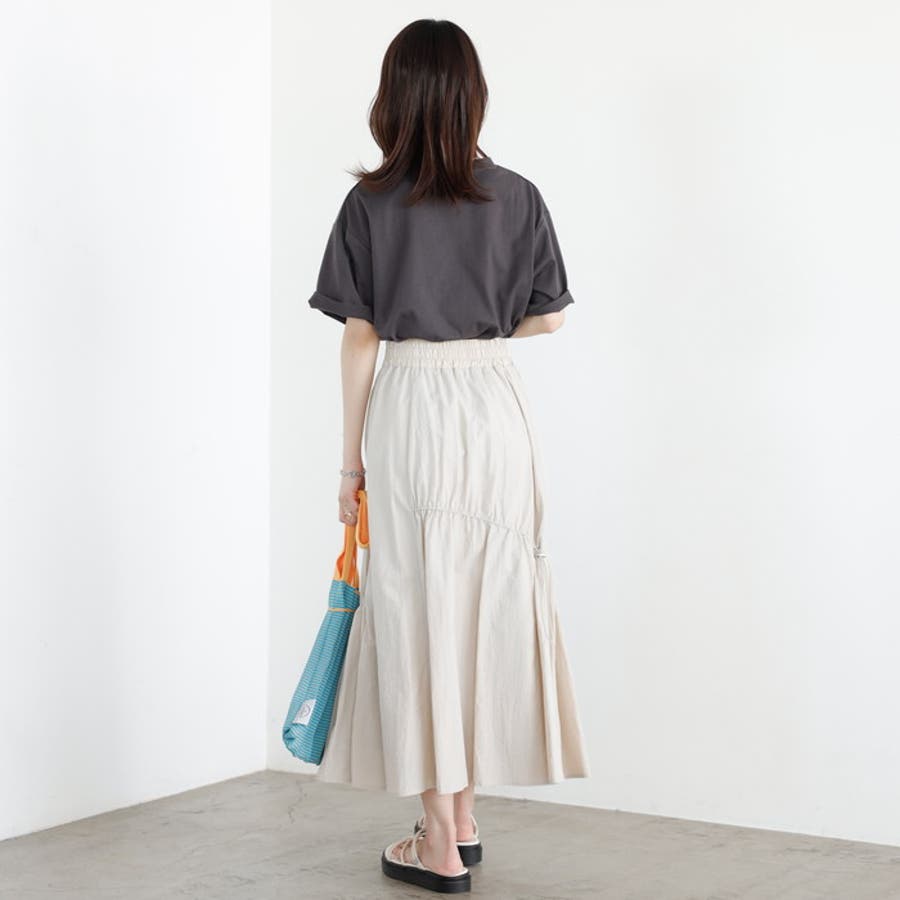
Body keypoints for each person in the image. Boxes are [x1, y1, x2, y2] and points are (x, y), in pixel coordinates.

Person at [306, 18, 591, 895]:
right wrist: (484, 324)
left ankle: (436, 841)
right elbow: (549, 316)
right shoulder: (519, 195)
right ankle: (461, 819)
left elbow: (361, 340)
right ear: (474, 95)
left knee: (417, 608)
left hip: (413, 407)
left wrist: (349, 465)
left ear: (392, 98)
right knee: (483, 603)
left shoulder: (370, 205)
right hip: (496, 409)